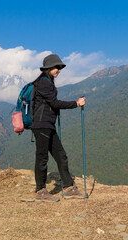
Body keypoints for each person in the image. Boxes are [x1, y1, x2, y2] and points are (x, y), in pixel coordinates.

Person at [31, 54, 86, 202]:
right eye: (56, 67)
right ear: (48, 68)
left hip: (48, 125)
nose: (58, 70)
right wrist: (76, 104)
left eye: (59, 67)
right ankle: (40, 190)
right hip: (41, 125)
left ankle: (68, 186)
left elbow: (51, 104)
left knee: (61, 155)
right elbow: (54, 103)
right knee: (42, 157)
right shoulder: (43, 83)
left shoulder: (48, 81)